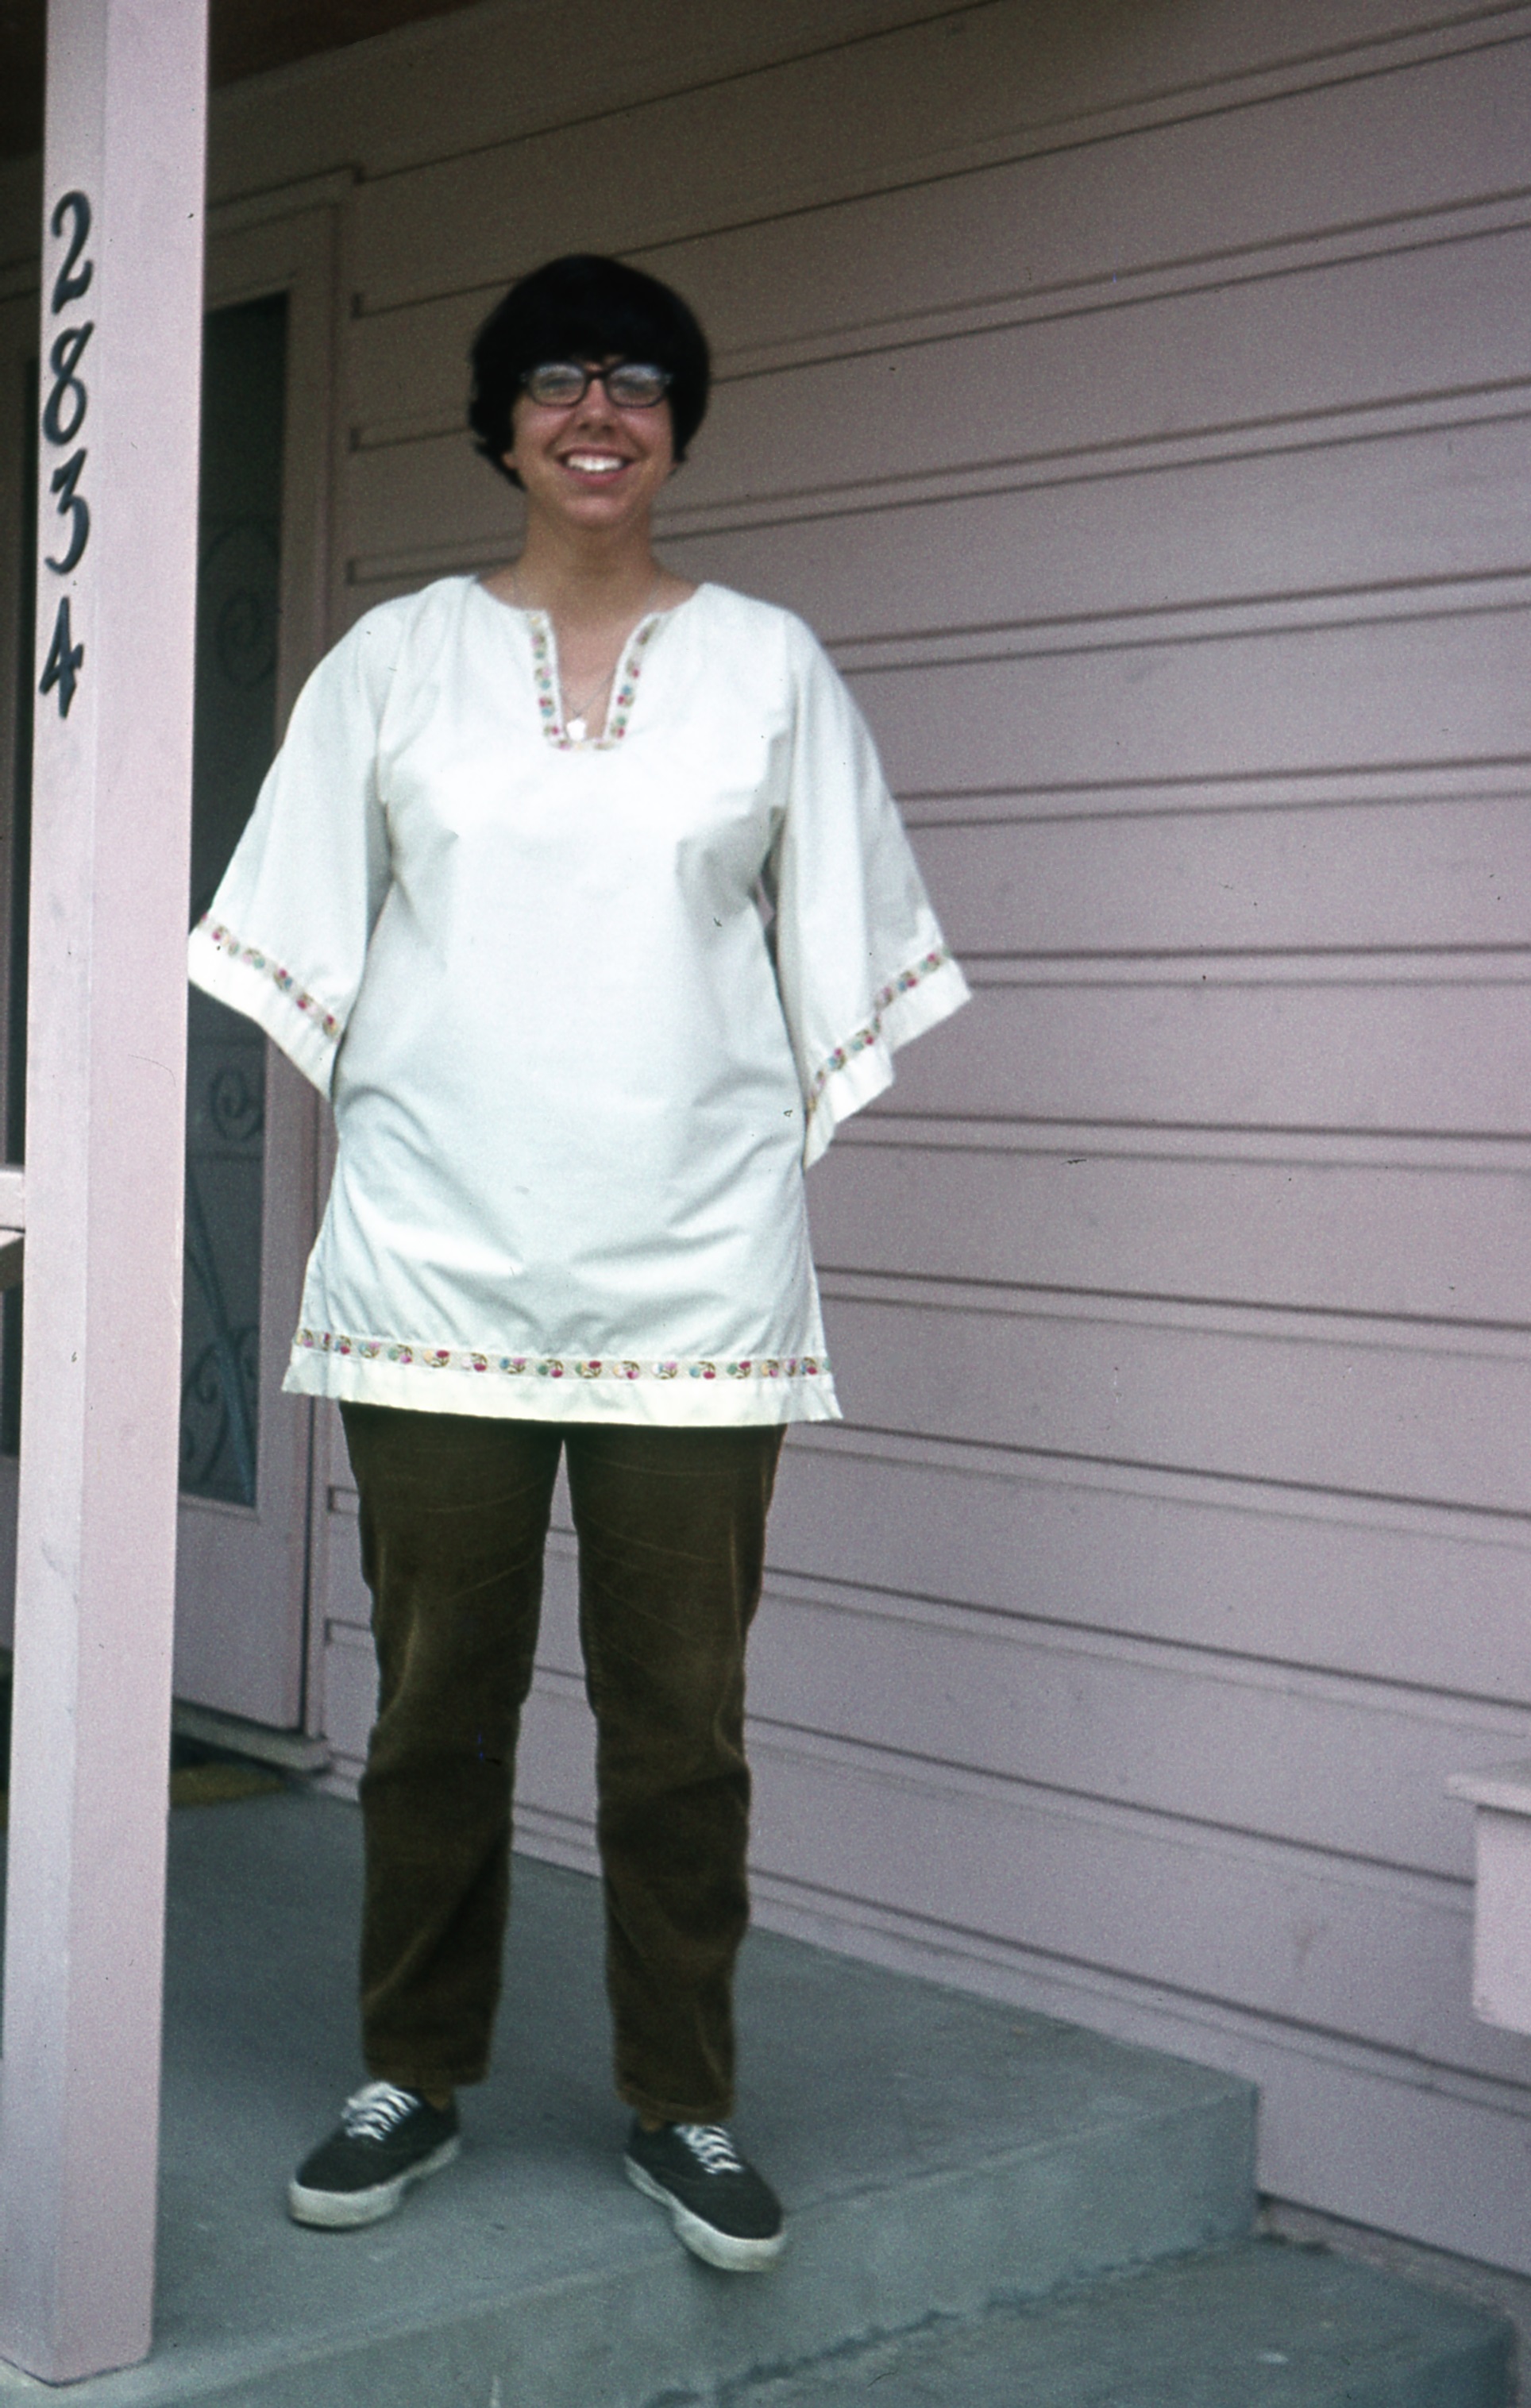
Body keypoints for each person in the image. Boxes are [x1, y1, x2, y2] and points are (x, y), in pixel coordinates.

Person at [188, 253, 968, 2273]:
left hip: (695, 1298)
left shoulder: (771, 669)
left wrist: (688, 1150)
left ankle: (680, 2097)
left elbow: (840, 973)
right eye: (555, 378)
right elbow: (301, 945)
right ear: (503, 424)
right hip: (433, 1282)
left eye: (635, 380)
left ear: (677, 424)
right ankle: (410, 2069)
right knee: (434, 1709)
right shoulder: (394, 664)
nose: (595, 410)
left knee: (681, 1726)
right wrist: (461, 1115)